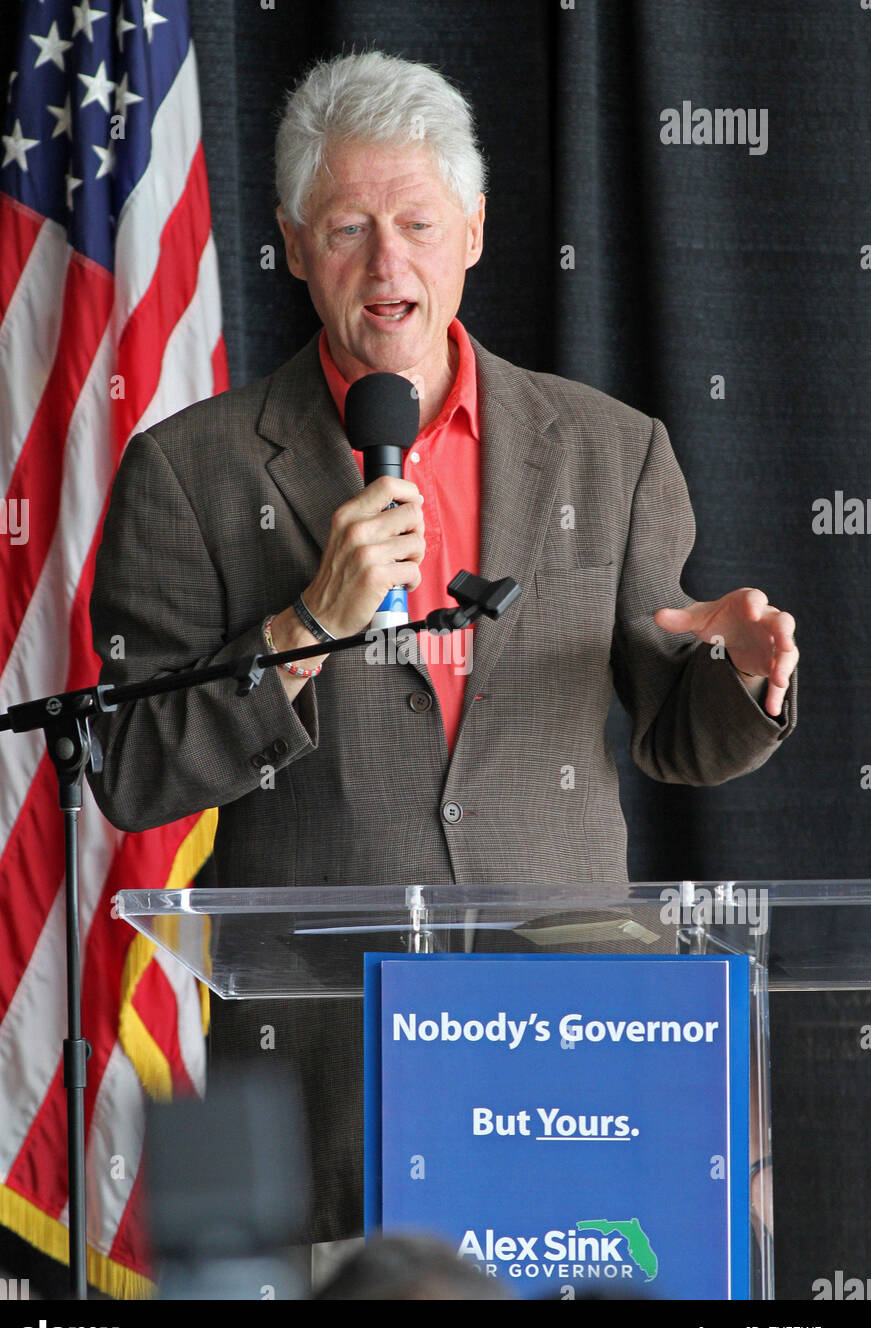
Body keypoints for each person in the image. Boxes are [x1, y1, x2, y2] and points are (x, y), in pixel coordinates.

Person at [88, 51, 798, 1244]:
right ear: (292, 243)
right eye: (347, 227)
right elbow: (130, 766)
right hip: (317, 1079)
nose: (386, 264)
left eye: (418, 221)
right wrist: (302, 626)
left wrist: (737, 671)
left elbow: (679, 738)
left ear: (472, 228)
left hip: (573, 1063)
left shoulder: (608, 450)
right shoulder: (190, 471)